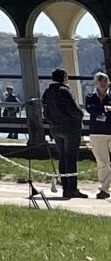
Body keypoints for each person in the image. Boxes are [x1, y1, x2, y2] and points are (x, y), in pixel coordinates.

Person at [41, 67, 85, 200]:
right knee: (71, 158)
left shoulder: (47, 92)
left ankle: (65, 186)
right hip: (70, 128)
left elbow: (45, 112)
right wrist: (81, 115)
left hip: (55, 128)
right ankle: (71, 188)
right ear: (64, 78)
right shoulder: (64, 91)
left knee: (62, 158)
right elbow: (74, 110)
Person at [85, 71, 111, 201]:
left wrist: (101, 109)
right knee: (102, 162)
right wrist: (105, 109)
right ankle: (105, 189)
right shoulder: (90, 96)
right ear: (96, 83)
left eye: (105, 80)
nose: (103, 83)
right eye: (100, 80)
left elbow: (97, 110)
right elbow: (91, 109)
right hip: (97, 133)